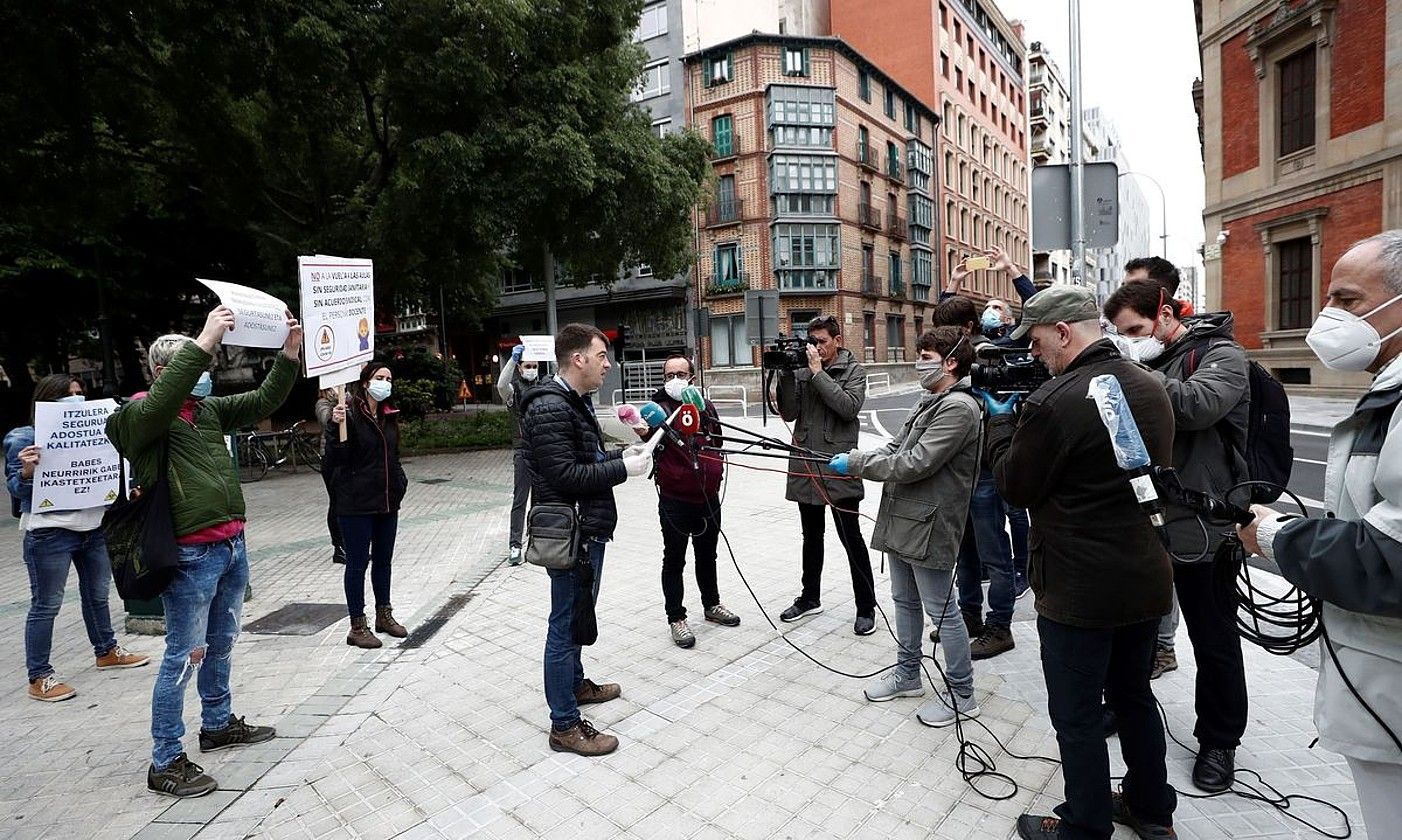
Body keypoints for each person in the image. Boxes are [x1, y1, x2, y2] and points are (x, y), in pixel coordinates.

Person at [982, 286, 1178, 840]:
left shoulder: (1055, 400)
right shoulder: (1149, 384)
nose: (1036, 356)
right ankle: (1150, 808)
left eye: (1039, 344)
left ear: (1064, 333)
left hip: (1079, 586)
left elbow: (1015, 488)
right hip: (1142, 573)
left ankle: (1084, 823)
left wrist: (1001, 424)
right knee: (1134, 696)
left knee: (1076, 712)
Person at [1238, 231, 1402, 838]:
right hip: (1380, 687)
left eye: (1348, 298)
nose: (1328, 315)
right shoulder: (1388, 392)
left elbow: (1390, 558)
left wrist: (1273, 535)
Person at [107, 305, 300, 798]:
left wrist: (288, 356)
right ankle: (165, 759)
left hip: (230, 545)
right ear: (162, 374)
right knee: (184, 656)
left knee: (221, 642)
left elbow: (262, 398)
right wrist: (206, 337)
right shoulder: (136, 417)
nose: (204, 375)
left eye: (207, 365)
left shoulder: (209, 411)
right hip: (189, 556)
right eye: (196, 365)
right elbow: (158, 404)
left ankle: (217, 724)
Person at [1104, 278, 1252, 793]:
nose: (1130, 342)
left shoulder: (1222, 354)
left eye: (1136, 331)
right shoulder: (1152, 361)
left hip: (1204, 525)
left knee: (1212, 640)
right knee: (1136, 627)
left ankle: (1219, 740)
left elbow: (1198, 406)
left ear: (1165, 314)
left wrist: (1125, 372)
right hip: (1149, 520)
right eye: (1120, 336)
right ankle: (1127, 707)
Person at [830, 327, 983, 726]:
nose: (920, 363)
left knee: (942, 611)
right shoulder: (929, 400)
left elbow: (916, 462)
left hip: (931, 522)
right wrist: (859, 455)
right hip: (903, 516)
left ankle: (963, 693)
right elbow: (895, 448)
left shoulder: (959, 408)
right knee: (904, 601)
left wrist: (859, 465)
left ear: (951, 362)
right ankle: (907, 674)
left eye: (927, 356)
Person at [519, 323, 653, 756]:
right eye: (601, 356)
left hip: (586, 528)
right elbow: (565, 475)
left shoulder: (573, 402)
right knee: (564, 624)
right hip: (570, 533)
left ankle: (575, 685)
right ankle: (564, 724)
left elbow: (585, 458)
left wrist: (620, 456)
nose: (607, 365)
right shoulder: (549, 406)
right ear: (577, 359)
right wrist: (622, 470)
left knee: (578, 615)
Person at [4, 375, 149, 703]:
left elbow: (114, 468)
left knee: (97, 596)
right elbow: (15, 488)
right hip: (49, 532)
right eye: (66, 395)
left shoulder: (98, 430)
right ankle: (38, 676)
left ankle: (107, 651)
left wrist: (129, 486)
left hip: (93, 527)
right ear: (46, 400)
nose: (76, 399)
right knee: (46, 604)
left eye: (79, 393)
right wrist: (27, 471)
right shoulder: (24, 437)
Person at [775, 314, 875, 636]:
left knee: (850, 538)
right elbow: (789, 413)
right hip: (806, 463)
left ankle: (866, 606)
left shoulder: (853, 371)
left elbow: (848, 407)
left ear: (837, 340)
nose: (817, 347)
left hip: (838, 464)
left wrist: (818, 374)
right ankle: (810, 597)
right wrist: (787, 376)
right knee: (811, 536)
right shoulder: (803, 370)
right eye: (813, 341)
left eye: (823, 341)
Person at [636, 354, 740, 648]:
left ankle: (712, 605)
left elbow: (716, 441)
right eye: (670, 375)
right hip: (674, 498)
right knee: (674, 559)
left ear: (692, 378)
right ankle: (676, 617)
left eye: (681, 374)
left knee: (708, 555)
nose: (676, 380)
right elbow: (650, 443)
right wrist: (643, 432)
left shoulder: (704, 405)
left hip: (708, 495)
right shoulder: (657, 409)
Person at [325, 361, 410, 649]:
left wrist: (399, 483)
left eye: (388, 378)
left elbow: (394, 456)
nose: (384, 382)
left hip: (387, 502)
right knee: (358, 564)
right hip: (356, 504)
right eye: (379, 377)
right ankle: (356, 625)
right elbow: (335, 460)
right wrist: (335, 428)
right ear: (365, 382)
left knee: (383, 561)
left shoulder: (389, 415)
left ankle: (384, 615)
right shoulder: (348, 414)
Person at [497, 344, 540, 566]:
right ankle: (515, 545)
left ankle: (538, 540)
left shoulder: (544, 387)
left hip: (544, 450)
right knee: (520, 499)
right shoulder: (513, 390)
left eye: (534, 366)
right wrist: (512, 360)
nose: (531, 369)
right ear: (520, 369)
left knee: (542, 499)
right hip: (523, 451)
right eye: (527, 366)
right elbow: (501, 385)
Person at [313, 389, 347, 565]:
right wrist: (338, 406)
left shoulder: (348, 398)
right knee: (336, 500)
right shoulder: (322, 403)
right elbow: (326, 419)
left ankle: (349, 542)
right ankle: (339, 547)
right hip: (330, 457)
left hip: (347, 454)